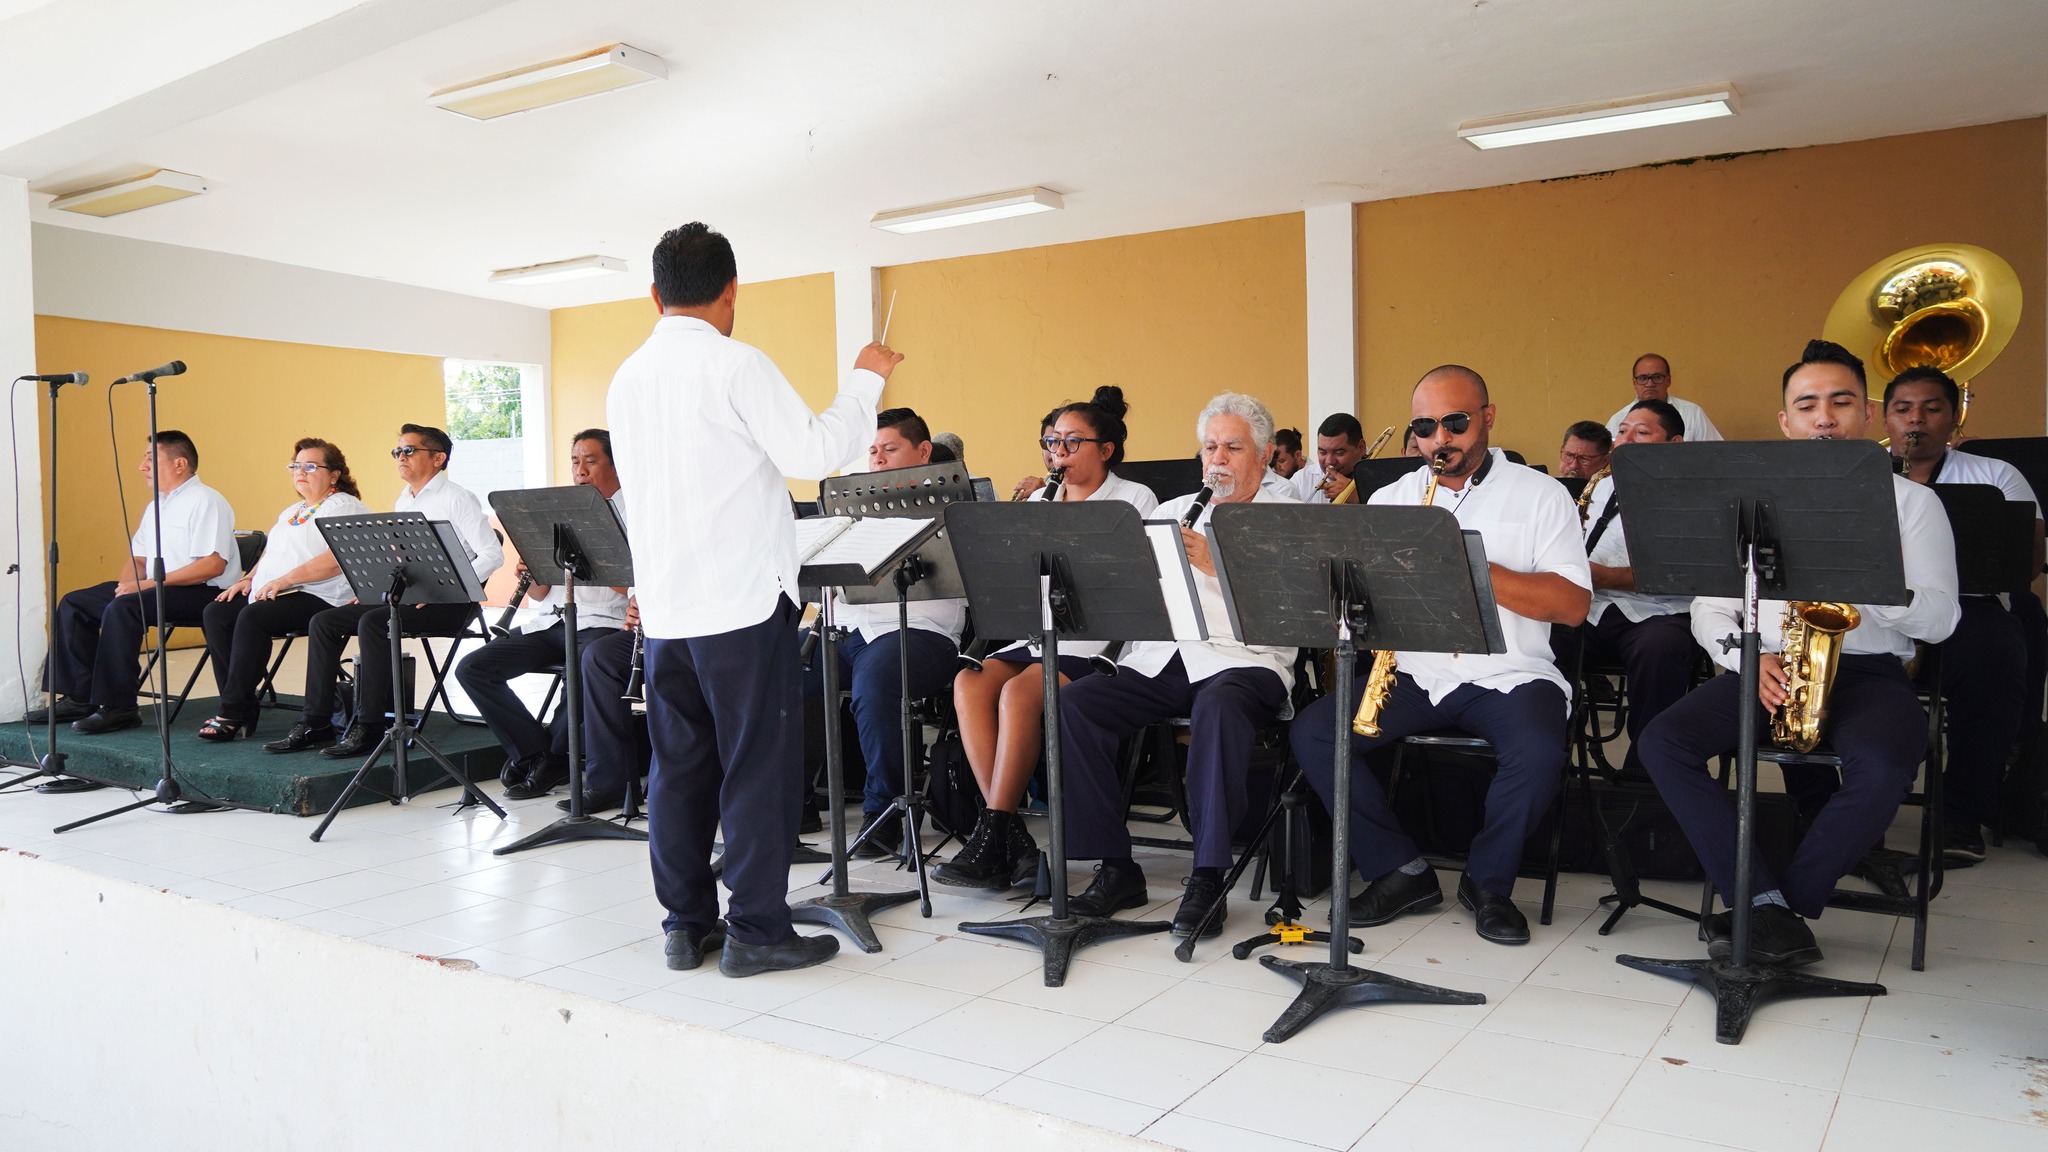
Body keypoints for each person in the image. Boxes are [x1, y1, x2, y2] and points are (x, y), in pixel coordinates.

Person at [608, 221, 900, 978]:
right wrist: (866, 379)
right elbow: (812, 454)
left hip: (668, 608)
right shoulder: (736, 364)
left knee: (679, 771)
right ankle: (758, 931)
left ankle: (685, 926)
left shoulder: (626, 377)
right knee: (754, 772)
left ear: (654, 294)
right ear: (731, 292)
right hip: (739, 606)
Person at [1637, 339, 1958, 967]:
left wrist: (1876, 587)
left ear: (1866, 413)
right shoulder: (1750, 503)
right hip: (1770, 662)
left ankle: (1782, 906)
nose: (1824, 417)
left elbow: (1943, 620)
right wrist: (1745, 660)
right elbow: (1709, 607)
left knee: (1891, 758)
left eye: (1840, 402)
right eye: (1807, 405)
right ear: (1786, 421)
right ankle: (1756, 899)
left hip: (1868, 669)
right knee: (1661, 742)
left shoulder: (1915, 506)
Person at [1292, 366, 1589, 946]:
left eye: (1454, 422)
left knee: (1537, 751)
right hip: (1413, 672)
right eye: (1425, 427)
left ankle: (1488, 882)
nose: (1439, 439)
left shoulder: (1541, 494)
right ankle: (1398, 870)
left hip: (1509, 671)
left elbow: (1573, 604)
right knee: (1316, 732)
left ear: (1487, 417)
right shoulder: (1392, 498)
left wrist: (1468, 567)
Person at [1053, 392, 1299, 939]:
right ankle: (1115, 867)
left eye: (1233, 447)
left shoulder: (1289, 518)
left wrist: (1221, 564)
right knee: (1075, 703)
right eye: (1210, 446)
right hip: (1166, 655)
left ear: (1263, 456)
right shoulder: (1170, 511)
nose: (1219, 459)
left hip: (1245, 660)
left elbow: (1301, 612)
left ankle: (1208, 875)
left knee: (1216, 705)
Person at [935, 387, 1159, 889]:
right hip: (1040, 635)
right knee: (968, 683)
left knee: (1019, 692)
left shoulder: (1132, 498)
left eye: (1073, 442)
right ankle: (1008, 835)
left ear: (1106, 449)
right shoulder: (1040, 497)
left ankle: (992, 833)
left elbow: (1129, 582)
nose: (1058, 451)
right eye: (1051, 440)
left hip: (1100, 643)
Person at [263, 423, 503, 756]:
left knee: (374, 623)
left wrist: (445, 590)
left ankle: (370, 726)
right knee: (326, 622)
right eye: (397, 451)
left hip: (450, 601)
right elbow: (403, 561)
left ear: (438, 458)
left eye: (409, 451)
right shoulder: (404, 499)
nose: (400, 457)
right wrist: (373, 588)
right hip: (410, 597)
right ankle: (316, 722)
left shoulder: (457, 498)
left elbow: (492, 554)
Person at [1884, 365, 2041, 861]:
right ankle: (1827, 807)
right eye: (1903, 409)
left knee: (1998, 654)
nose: (1917, 419)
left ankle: (1961, 814)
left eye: (1933, 409)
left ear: (1954, 419)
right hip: (1874, 610)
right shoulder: (1859, 470)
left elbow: (2029, 561)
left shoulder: (1995, 475)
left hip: (1967, 608)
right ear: (1883, 418)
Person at [802, 408, 967, 857]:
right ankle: (793, 804)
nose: (878, 459)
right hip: (849, 627)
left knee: (875, 683)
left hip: (922, 629)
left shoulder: (955, 504)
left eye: (890, 449)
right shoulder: (851, 508)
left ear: (923, 451)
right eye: (872, 451)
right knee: (779, 673)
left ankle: (886, 814)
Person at [455, 430, 629, 799]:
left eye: (591, 460)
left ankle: (555, 758)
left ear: (616, 464)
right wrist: (533, 569)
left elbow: (636, 585)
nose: (579, 469)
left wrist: (594, 560)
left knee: (583, 662)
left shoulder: (634, 513)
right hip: (554, 619)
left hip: (606, 624)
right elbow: (540, 592)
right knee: (473, 668)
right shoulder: (561, 512)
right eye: (575, 460)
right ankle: (538, 753)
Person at [38, 431, 241, 735]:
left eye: (150, 458)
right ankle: (80, 696)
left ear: (180, 463)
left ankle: (119, 707)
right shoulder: (156, 505)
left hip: (204, 592)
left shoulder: (206, 500)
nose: (141, 466)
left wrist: (145, 587)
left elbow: (211, 565)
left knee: (125, 608)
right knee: (74, 603)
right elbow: (139, 559)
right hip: (158, 587)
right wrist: (127, 585)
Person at [194, 438, 370, 741]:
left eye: (311, 466)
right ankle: (243, 706)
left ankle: (231, 711)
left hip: (325, 596)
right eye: (296, 466)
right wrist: (249, 579)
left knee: (253, 616)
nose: (300, 472)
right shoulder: (293, 510)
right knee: (217, 612)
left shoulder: (344, 507)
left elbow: (334, 561)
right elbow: (272, 553)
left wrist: (286, 580)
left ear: (334, 474)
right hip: (278, 591)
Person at [1568, 399, 1699, 778]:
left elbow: (1687, 573)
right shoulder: (1601, 485)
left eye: (1641, 433)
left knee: (1660, 650)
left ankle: (1644, 776)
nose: (1624, 441)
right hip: (1592, 606)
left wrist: (1607, 577)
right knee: (1543, 637)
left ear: (1674, 445)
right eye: (1622, 431)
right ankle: (1547, 757)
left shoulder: (1693, 496)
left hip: (1659, 612)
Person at [1605, 353, 1723, 441]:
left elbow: (1716, 453)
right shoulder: (1618, 419)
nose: (1650, 384)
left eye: (1657, 377)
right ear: (1634, 383)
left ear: (1668, 380)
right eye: (1643, 378)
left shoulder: (1692, 413)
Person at [1291, 413, 1368, 503]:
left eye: (1339, 453)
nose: (1329, 461)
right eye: (1323, 452)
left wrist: (1358, 498)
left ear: (1361, 447)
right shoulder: (1301, 479)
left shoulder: (1382, 478)